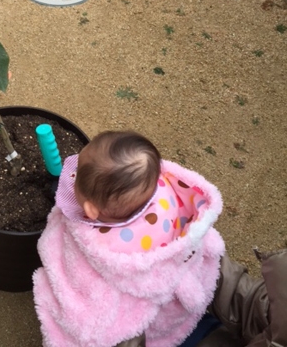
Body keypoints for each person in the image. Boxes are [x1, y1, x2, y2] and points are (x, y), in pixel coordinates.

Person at [32, 130, 226, 346]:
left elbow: (86, 302)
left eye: (76, 172)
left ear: (91, 210)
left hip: (147, 325)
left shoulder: (103, 249)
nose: (74, 173)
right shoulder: (164, 193)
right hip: (180, 300)